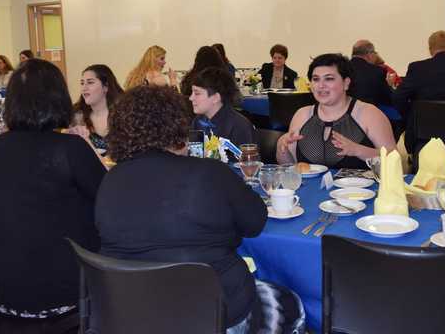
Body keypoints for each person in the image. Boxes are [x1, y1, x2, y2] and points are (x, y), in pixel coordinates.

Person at [96, 85, 305, 333]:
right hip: (216, 311)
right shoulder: (208, 172)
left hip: (133, 311)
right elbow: (255, 222)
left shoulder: (111, 179)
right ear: (177, 125)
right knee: (289, 301)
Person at [0, 59, 106, 329]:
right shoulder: (70, 148)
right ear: (58, 98)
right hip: (61, 287)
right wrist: (86, 146)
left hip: (2, 283)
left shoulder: (0, 147)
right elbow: (108, 197)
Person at [277, 53, 396, 169]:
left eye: (329, 79)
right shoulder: (302, 115)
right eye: (316, 79)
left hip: (361, 188)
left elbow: (395, 161)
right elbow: (290, 167)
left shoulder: (369, 114)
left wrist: (358, 150)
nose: (321, 85)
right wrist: (282, 147)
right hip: (310, 188)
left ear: (346, 83)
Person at [190, 67, 257, 151]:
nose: (191, 98)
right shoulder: (198, 122)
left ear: (215, 98)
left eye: (197, 93)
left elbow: (247, 161)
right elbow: (194, 155)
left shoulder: (240, 126)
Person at [70, 64, 123, 151]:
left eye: (90, 82)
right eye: (82, 83)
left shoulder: (124, 115)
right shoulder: (77, 118)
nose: (84, 88)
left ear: (105, 86)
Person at [347, 40, 394, 106]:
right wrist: (390, 85)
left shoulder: (342, 69)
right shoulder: (378, 71)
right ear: (369, 54)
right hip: (369, 112)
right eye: (374, 53)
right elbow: (388, 99)